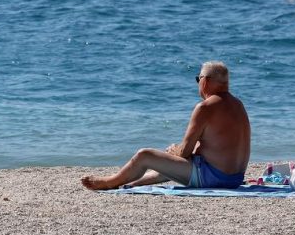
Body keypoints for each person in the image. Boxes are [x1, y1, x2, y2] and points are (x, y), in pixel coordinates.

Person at [81, 61, 251, 190]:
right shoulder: (238, 105)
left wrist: (174, 152)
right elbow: (217, 146)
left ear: (205, 81)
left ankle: (110, 182)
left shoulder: (205, 107)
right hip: (234, 179)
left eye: (197, 79)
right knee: (167, 164)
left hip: (214, 179)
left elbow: (184, 152)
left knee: (144, 155)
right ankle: (131, 183)